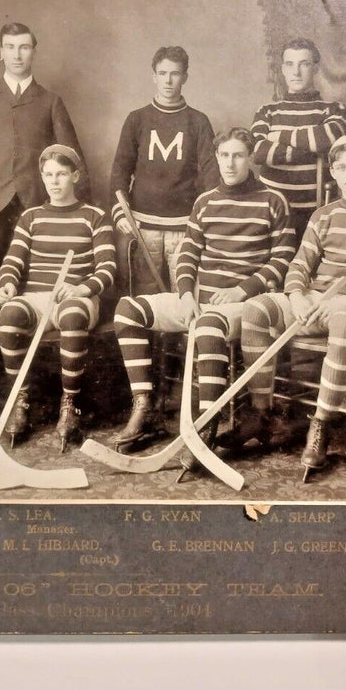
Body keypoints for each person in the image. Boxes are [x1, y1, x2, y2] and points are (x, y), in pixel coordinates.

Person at [111, 128, 297, 469]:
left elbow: (283, 258)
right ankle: (145, 407)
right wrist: (184, 295)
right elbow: (188, 256)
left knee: (208, 326)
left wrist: (243, 289)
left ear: (250, 158)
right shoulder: (205, 201)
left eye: (238, 155)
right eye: (224, 155)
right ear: (216, 158)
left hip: (244, 304)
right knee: (127, 310)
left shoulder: (273, 201)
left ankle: (204, 429)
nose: (230, 163)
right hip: (200, 300)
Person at [239, 135, 346, 478]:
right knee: (255, 310)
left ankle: (321, 425)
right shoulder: (323, 215)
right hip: (315, 299)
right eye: (342, 167)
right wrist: (299, 297)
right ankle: (262, 414)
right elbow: (299, 266)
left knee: (344, 322)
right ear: (332, 172)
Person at [0, 145, 116, 451]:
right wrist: (8, 283)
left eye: (61, 174)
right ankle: (19, 399)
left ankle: (69, 403)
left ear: (75, 176)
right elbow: (12, 261)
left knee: (73, 313)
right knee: (9, 312)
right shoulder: (31, 217)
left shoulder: (94, 217)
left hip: (78, 298)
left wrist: (80, 289)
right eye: (48, 175)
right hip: (37, 298)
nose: (54, 181)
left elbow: (108, 268)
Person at [0, 23, 88, 283]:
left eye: (24, 47)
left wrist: (80, 210)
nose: (17, 55)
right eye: (10, 47)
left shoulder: (50, 101)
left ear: (34, 52)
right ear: (0, 52)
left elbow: (73, 159)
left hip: (36, 203)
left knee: (32, 274)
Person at [109, 45, 218, 293]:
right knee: (145, 297)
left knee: (184, 294)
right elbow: (120, 170)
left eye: (175, 73)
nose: (168, 80)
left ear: (185, 77)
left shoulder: (198, 121)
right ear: (154, 76)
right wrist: (120, 212)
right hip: (143, 226)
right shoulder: (137, 119)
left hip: (184, 226)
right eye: (162, 73)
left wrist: (210, 218)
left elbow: (212, 173)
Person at [251, 38, 346, 236]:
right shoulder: (267, 111)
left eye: (303, 64)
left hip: (316, 214)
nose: (296, 72)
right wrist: (312, 149)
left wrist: (277, 136)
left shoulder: (333, 109)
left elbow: (325, 139)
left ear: (315, 68)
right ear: (283, 69)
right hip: (270, 212)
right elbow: (258, 152)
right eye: (290, 64)